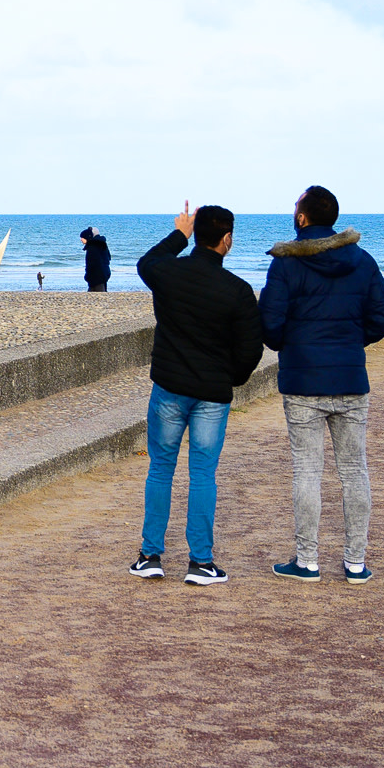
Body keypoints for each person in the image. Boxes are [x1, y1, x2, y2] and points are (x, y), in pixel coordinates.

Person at [259, 185, 384, 585]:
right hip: (350, 377)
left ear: (303, 217)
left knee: (307, 470)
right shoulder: (362, 260)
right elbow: (383, 317)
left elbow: (269, 323)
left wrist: (294, 344)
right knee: (354, 470)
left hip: (303, 379)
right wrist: (352, 341)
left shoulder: (285, 264)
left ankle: (308, 561)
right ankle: (355, 563)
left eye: (295, 207)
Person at [129, 202, 264, 587]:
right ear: (227, 240)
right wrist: (231, 378)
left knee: (161, 468)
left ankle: (150, 555)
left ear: (197, 235)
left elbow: (147, 262)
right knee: (203, 473)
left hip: (169, 387)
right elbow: (251, 348)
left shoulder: (169, 271)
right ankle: (200, 562)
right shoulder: (236, 290)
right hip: (212, 394)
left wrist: (179, 233)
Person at [81, 227, 112, 292]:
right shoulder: (101, 244)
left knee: (98, 294)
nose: (81, 239)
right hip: (103, 274)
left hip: (97, 276)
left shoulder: (93, 247)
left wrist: (88, 276)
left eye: (82, 237)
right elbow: (108, 258)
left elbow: (91, 263)